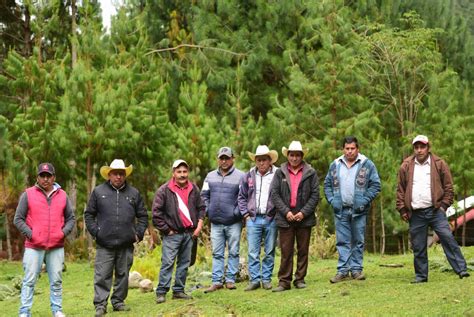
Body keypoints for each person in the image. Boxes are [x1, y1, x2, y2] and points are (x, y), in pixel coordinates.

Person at [396, 135, 470, 283]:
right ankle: (421, 276)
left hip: (436, 210)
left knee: (448, 238)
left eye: (422, 147)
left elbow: (449, 188)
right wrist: (402, 209)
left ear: (428, 148)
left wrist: (443, 207)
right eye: (416, 147)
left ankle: (462, 269)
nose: (419, 150)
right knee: (418, 245)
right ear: (414, 149)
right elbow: (400, 189)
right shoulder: (406, 165)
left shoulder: (439, 164)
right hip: (415, 212)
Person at [85, 159, 148, 316]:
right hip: (104, 243)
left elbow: (143, 216)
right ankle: (100, 305)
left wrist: (138, 233)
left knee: (123, 274)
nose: (118, 177)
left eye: (121, 173)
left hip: (126, 243)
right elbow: (89, 214)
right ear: (109, 174)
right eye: (115, 174)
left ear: (125, 175)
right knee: (102, 275)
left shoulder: (134, 193)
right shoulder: (99, 192)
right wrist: (96, 232)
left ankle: (118, 302)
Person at [14, 162, 76, 317]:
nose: (46, 179)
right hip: (33, 246)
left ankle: (57, 310)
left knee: (56, 280)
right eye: (42, 175)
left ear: (54, 177)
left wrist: (62, 233)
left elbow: (71, 219)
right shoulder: (28, 194)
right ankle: (24, 311)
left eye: (49, 176)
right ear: (38, 177)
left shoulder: (62, 195)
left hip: (56, 246)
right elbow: (18, 219)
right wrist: (31, 234)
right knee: (29, 281)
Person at [324, 136, 381, 283]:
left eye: (352, 148)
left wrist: (364, 199)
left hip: (359, 210)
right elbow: (327, 185)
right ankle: (342, 271)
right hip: (341, 210)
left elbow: (375, 185)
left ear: (357, 149)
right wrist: (332, 200)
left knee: (358, 240)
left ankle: (356, 270)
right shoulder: (335, 164)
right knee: (342, 241)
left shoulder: (366, 164)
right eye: (347, 148)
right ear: (343, 149)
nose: (349, 151)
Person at [152, 160, 205, 304]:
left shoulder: (194, 189)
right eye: (179, 172)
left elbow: (201, 208)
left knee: (184, 263)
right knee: (168, 263)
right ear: (173, 173)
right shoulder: (164, 190)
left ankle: (178, 291)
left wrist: (199, 225)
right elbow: (156, 214)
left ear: (188, 172)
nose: (182, 175)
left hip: (189, 233)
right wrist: (167, 230)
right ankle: (161, 292)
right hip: (172, 234)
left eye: (185, 172)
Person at [270, 141, 319, 292]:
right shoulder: (280, 172)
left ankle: (300, 279)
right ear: (288, 155)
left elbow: (315, 195)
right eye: (292, 155)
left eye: (297, 155)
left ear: (302, 156)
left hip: (305, 216)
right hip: (286, 216)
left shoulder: (310, 172)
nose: (294, 158)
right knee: (286, 251)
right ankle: (284, 281)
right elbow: (275, 194)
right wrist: (287, 212)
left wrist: (303, 212)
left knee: (303, 250)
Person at [202, 147, 245, 293]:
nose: (224, 161)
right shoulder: (209, 176)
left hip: (233, 222)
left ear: (233, 158)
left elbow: (244, 197)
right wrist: (207, 210)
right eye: (222, 158)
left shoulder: (241, 176)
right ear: (218, 159)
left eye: (227, 158)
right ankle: (216, 281)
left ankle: (231, 280)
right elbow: (204, 196)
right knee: (217, 253)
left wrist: (236, 213)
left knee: (233, 251)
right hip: (215, 222)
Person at [238, 145, 279, 291]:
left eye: (264, 160)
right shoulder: (248, 176)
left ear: (270, 161)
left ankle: (266, 279)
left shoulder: (277, 174)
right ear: (255, 161)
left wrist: (277, 213)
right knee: (253, 251)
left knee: (269, 250)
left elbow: (282, 195)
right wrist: (246, 215)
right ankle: (254, 279)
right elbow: (241, 197)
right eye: (259, 160)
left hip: (271, 218)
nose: (261, 163)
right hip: (253, 219)